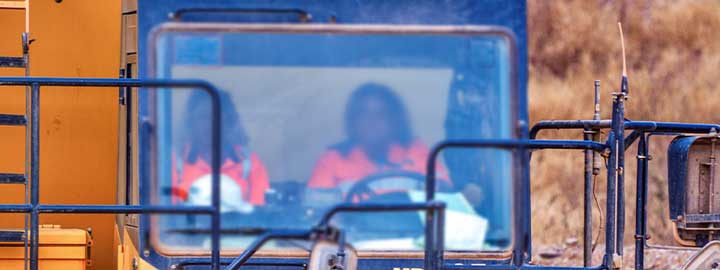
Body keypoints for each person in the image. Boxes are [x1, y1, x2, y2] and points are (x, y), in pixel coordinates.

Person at [308, 83, 447, 194]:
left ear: (394, 121)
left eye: (381, 114)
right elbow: (318, 215)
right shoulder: (332, 160)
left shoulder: (417, 153)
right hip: (353, 229)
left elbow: (446, 200)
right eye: (364, 114)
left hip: (412, 229)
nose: (372, 122)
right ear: (353, 121)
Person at [171, 90, 270, 210]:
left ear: (228, 122)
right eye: (202, 117)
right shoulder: (176, 162)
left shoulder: (249, 162)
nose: (209, 124)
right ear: (191, 122)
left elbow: (258, 213)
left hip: (238, 227)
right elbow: (169, 213)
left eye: (216, 116)